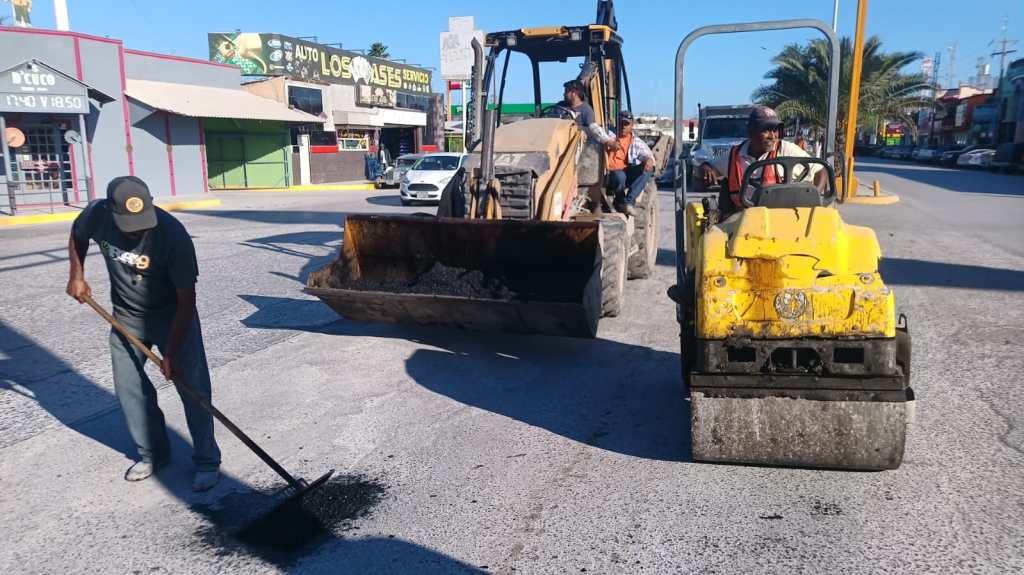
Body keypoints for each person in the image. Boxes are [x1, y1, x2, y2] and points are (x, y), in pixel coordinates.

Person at [66, 176, 221, 492]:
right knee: (129, 387)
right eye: (130, 225)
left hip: (173, 317)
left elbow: (186, 302)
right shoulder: (96, 214)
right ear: (111, 211)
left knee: (194, 389)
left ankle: (206, 460)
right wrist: (77, 275)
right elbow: (77, 234)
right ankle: (153, 454)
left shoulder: (173, 236)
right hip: (126, 316)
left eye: (142, 223)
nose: (138, 231)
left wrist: (172, 354)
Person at [701, 105, 824, 217]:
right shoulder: (734, 155)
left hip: (783, 219)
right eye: (766, 129)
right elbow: (709, 167)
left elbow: (821, 170)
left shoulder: (786, 150)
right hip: (743, 220)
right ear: (751, 132)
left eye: (775, 130)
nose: (772, 136)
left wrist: (815, 198)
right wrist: (706, 168)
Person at [606, 110, 655, 216]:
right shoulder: (608, 134)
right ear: (617, 123)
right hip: (606, 175)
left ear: (631, 125)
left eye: (626, 124)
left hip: (623, 175)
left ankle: (628, 202)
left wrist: (648, 161)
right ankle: (620, 201)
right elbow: (597, 133)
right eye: (621, 123)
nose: (623, 126)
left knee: (648, 169)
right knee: (619, 175)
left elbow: (647, 155)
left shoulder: (636, 142)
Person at [562, 79, 618, 151]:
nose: (563, 94)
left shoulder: (586, 110)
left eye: (566, 92)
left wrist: (608, 141)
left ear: (574, 93)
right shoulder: (560, 106)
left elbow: (593, 128)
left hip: (574, 148)